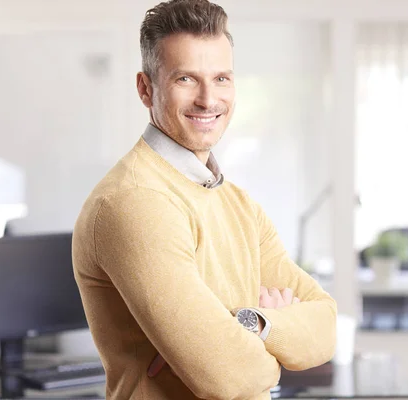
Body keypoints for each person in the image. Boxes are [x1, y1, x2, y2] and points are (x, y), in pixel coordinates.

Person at [72, 0, 337, 398]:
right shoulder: (135, 201)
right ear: (146, 88)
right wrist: (279, 339)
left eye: (222, 78)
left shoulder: (237, 203)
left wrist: (254, 323)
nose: (208, 99)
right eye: (185, 79)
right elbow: (231, 376)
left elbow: (327, 325)